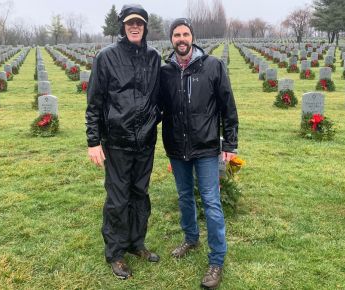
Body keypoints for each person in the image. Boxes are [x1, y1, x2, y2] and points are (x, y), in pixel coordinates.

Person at [159, 18, 239, 289]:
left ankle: (216, 259)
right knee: (184, 197)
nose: (181, 39)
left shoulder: (212, 66)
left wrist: (229, 144)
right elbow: (157, 109)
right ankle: (191, 239)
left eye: (185, 34)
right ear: (171, 39)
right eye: (176, 35)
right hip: (176, 147)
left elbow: (228, 106)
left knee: (211, 202)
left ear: (192, 37)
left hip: (205, 147)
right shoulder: (165, 72)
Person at [85, 4, 161, 280]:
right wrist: (94, 141)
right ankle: (115, 252)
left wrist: (155, 120)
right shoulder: (106, 58)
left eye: (139, 23)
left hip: (145, 142)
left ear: (145, 27)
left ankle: (136, 243)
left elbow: (159, 97)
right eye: (130, 23)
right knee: (117, 200)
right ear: (122, 26)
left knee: (140, 195)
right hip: (117, 142)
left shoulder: (154, 57)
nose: (134, 27)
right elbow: (94, 103)